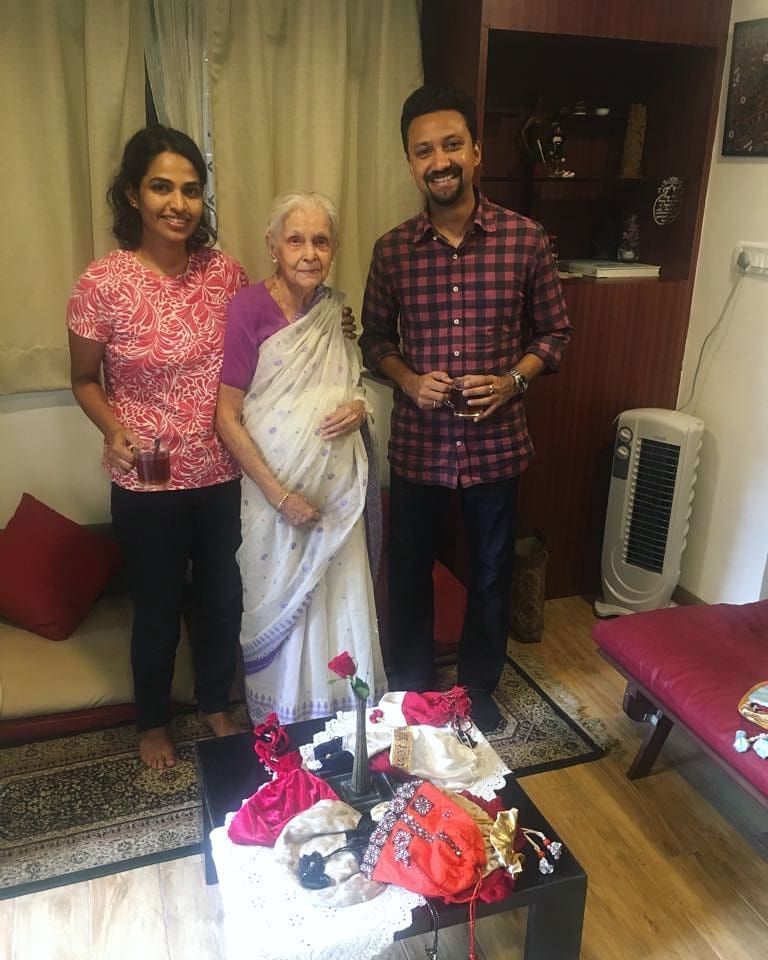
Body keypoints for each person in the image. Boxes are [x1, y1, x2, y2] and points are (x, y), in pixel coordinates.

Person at [359, 84, 572, 732]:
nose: (439, 161)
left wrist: (512, 381)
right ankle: (413, 689)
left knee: (491, 572)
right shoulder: (392, 250)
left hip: (496, 444)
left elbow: (554, 333)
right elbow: (375, 340)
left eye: (451, 145)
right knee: (408, 572)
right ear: (410, 163)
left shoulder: (525, 240)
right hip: (419, 444)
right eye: (423, 150)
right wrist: (407, 379)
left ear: (476, 152)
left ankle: (477, 688)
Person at [67, 126, 249, 769]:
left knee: (223, 596)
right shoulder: (102, 282)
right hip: (147, 480)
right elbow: (84, 379)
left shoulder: (226, 274)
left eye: (191, 190)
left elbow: (267, 345)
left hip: (222, 471)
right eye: (162, 188)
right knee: (157, 605)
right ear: (133, 195)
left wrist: (331, 324)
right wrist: (111, 428)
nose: (178, 204)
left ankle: (216, 703)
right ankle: (151, 721)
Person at [216, 191, 387, 724]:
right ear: (273, 246)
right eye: (296, 240)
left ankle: (342, 718)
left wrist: (359, 408)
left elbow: (354, 385)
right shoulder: (247, 309)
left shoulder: (335, 313)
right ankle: (284, 721)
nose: (309, 253)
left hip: (337, 498)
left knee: (339, 599)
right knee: (279, 602)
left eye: (321, 241)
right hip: (274, 498)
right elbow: (226, 415)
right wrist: (281, 496)